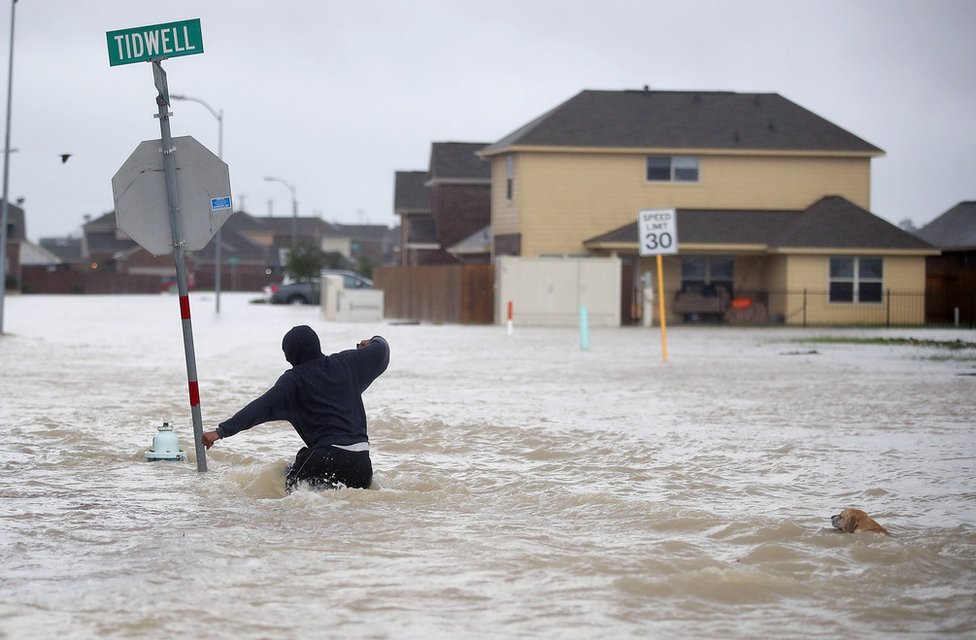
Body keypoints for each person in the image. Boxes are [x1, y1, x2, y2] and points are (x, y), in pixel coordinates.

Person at [202, 324, 390, 491]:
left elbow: (260, 407)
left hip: (326, 458)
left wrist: (221, 431)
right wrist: (373, 340)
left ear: (290, 355)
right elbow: (382, 349)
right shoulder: (347, 363)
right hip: (362, 466)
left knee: (290, 495)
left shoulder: (293, 381)